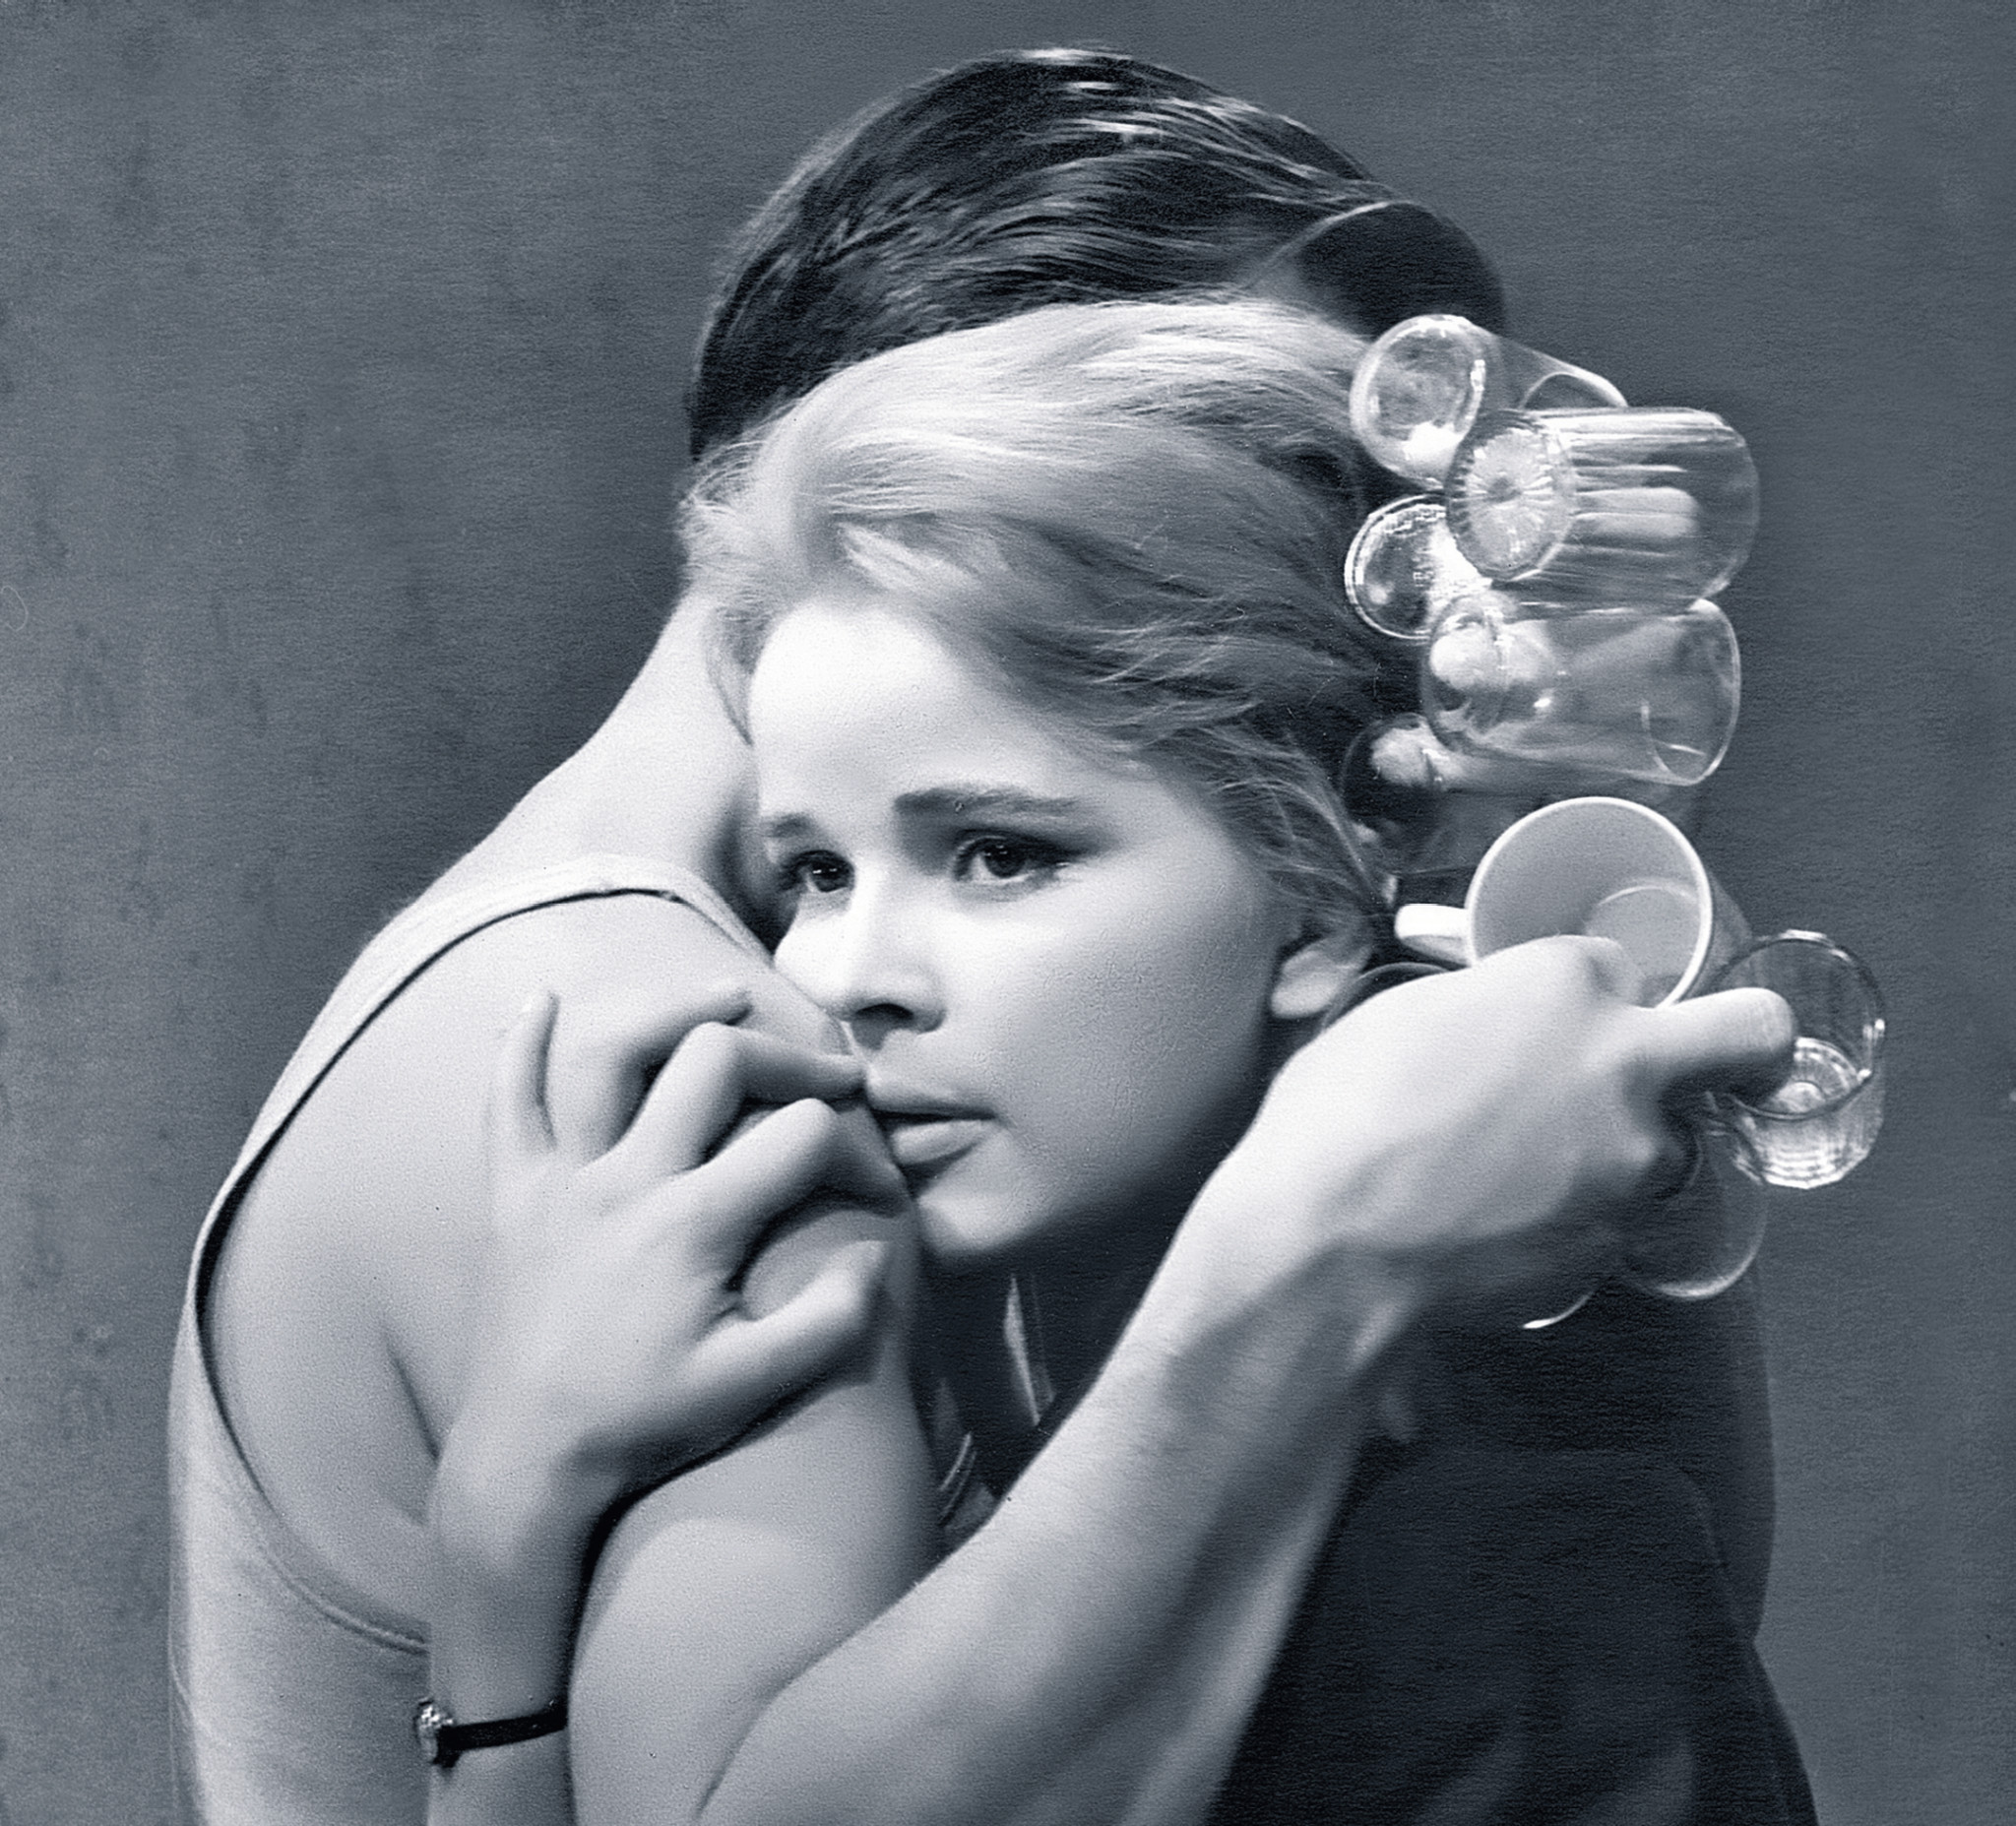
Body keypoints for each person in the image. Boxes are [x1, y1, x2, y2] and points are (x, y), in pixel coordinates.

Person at [167, 48, 1789, 1826]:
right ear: (964, 436)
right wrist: (1324, 1237)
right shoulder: (687, 1059)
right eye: (1275, 467)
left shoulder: (656, 963)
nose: (1412, 610)